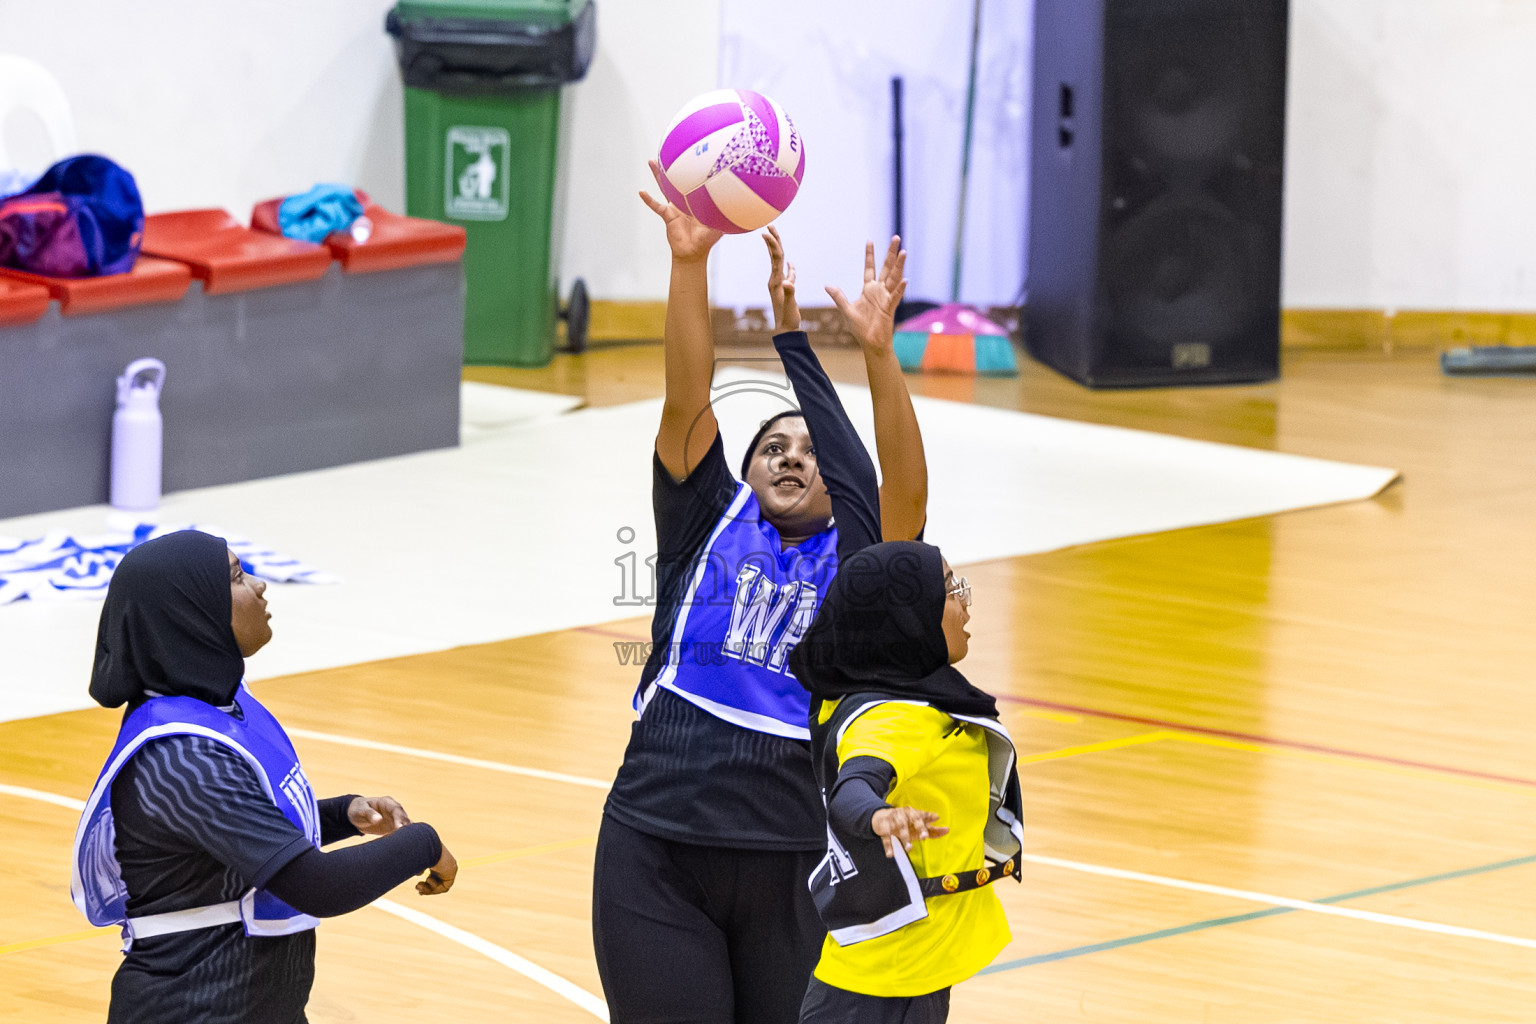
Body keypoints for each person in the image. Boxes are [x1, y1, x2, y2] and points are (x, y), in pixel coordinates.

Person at [591, 165, 928, 1024]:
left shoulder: (859, 562)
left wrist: (875, 354)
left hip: (796, 858)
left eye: (810, 451)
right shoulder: (706, 519)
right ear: (744, 469)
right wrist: (690, 264)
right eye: (773, 446)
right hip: (656, 838)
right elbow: (687, 398)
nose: (790, 456)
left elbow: (903, 488)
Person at [71, 530, 457, 1024]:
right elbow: (318, 886)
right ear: (193, 613)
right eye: (236, 577)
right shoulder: (183, 758)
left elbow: (241, 830)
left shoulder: (221, 703)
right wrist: (425, 844)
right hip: (192, 1009)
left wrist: (342, 814)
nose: (258, 585)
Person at [790, 542, 1024, 1024]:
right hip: (875, 997)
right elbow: (853, 788)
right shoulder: (894, 717)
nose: (966, 602)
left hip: (912, 977)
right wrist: (877, 815)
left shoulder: (902, 693)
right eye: (951, 589)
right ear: (908, 614)